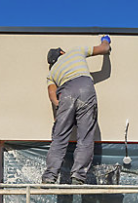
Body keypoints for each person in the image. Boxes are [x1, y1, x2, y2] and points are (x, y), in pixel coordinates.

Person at [41, 35, 111, 185]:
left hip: (66, 93)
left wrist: (62, 112)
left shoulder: (52, 74)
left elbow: (53, 97)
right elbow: (103, 49)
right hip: (85, 88)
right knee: (85, 137)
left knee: (59, 138)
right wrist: (106, 40)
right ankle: (78, 176)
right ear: (61, 53)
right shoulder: (75, 51)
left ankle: (49, 176)